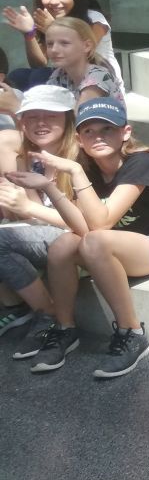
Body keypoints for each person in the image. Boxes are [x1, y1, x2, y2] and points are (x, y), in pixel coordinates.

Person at [18, 97, 149, 378]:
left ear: (125, 133)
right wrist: (49, 187)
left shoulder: (140, 162)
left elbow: (101, 223)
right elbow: (81, 226)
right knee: (62, 245)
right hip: (105, 247)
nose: (98, 137)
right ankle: (65, 328)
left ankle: (132, 332)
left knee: (95, 240)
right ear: (79, 139)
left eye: (107, 129)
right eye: (89, 131)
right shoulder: (86, 165)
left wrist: (75, 172)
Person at [0, 86, 77, 349]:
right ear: (22, 121)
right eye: (32, 116)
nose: (40, 123)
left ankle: (48, 313)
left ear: (68, 119)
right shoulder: (29, 157)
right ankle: (18, 306)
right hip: (44, 231)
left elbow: (85, 223)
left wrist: (27, 208)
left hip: (75, 239)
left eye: (50, 115)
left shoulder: (79, 158)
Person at [3, 0, 121, 90]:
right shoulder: (47, 18)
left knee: (40, 76)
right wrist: (29, 33)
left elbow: (82, 55)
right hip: (64, 79)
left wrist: (52, 28)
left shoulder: (94, 18)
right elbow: (38, 64)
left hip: (97, 85)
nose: (53, 1)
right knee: (18, 76)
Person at [44, 18, 124, 105]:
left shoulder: (98, 76)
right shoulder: (58, 75)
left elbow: (79, 112)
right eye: (50, 44)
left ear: (87, 46)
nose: (54, 49)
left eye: (64, 43)